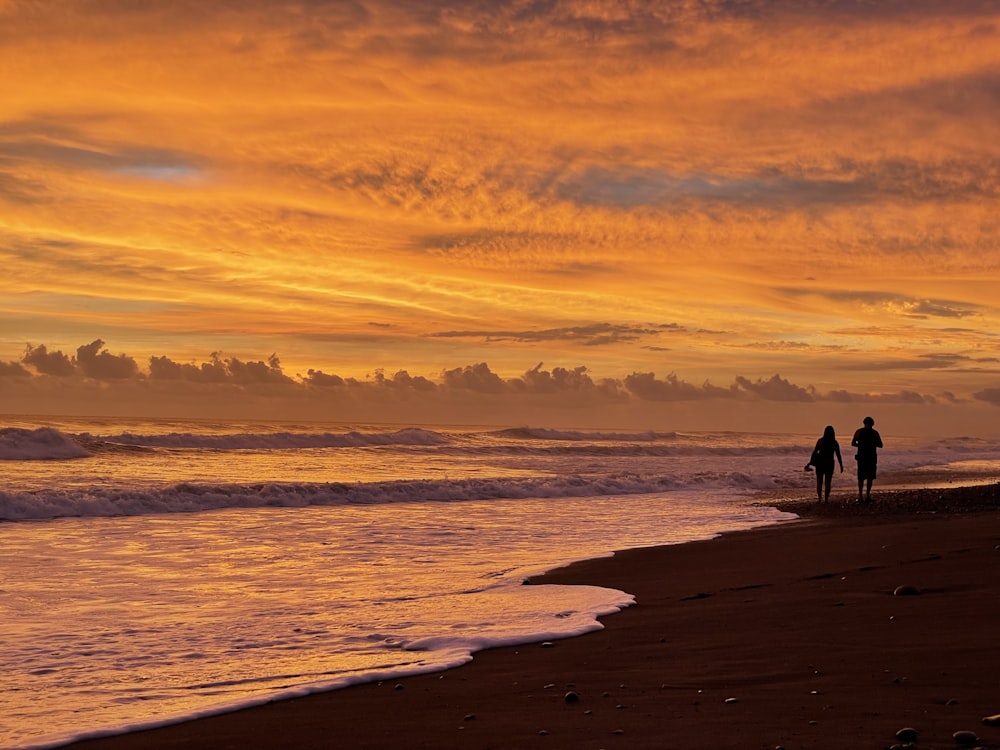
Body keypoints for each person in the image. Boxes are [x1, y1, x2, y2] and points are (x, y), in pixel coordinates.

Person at [807, 425, 844, 503]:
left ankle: (819, 499)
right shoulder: (834, 442)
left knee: (819, 481)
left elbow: (815, 452)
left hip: (820, 463)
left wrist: (810, 462)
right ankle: (826, 500)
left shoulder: (820, 441)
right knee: (828, 482)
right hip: (829, 463)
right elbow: (838, 454)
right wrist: (841, 465)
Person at [851, 416, 883, 503]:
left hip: (861, 457)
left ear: (864, 423)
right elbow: (880, 445)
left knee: (861, 477)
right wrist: (871, 444)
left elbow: (853, 443)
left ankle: (861, 496)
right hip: (871, 457)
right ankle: (867, 495)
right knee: (870, 477)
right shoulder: (875, 433)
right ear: (872, 424)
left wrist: (861, 445)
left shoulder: (859, 432)